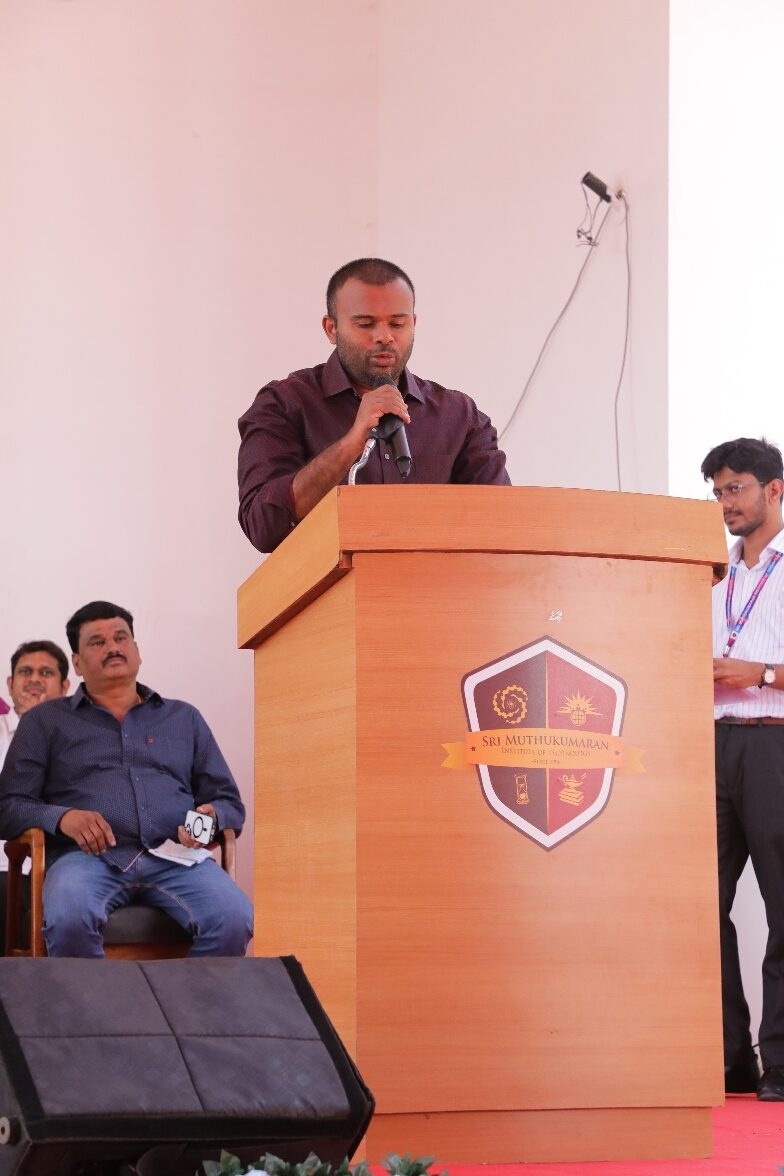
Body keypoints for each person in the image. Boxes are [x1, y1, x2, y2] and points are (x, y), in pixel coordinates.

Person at [0, 601, 253, 958]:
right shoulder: (43, 721)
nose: (113, 647)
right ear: (77, 663)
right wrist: (62, 818)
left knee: (234, 917)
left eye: (121, 638)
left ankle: (184, 998)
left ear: (137, 650)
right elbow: (9, 807)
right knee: (69, 918)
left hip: (177, 857)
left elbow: (228, 802)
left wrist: (208, 821)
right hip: (84, 859)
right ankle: (96, 1000)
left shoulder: (183, 718)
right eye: (97, 642)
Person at [238, 257, 511, 553]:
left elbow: (504, 526)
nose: (384, 337)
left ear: (414, 324)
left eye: (398, 323)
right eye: (366, 324)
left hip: (437, 582)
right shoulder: (285, 402)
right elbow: (262, 526)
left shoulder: (459, 416)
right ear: (331, 329)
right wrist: (349, 445)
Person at [702, 436, 784, 1101]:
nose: (725, 502)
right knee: (699, 905)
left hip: (775, 745)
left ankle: (781, 1064)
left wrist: (761, 673)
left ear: (774, 490)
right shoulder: (712, 575)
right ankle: (729, 1057)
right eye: (717, 492)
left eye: (736, 488)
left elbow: (757, 668)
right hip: (709, 746)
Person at [0, 640, 70, 951]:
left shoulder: (79, 738)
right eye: (25, 672)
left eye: (46, 673)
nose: (34, 679)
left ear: (65, 686)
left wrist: (38, 724)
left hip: (50, 864)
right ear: (10, 683)